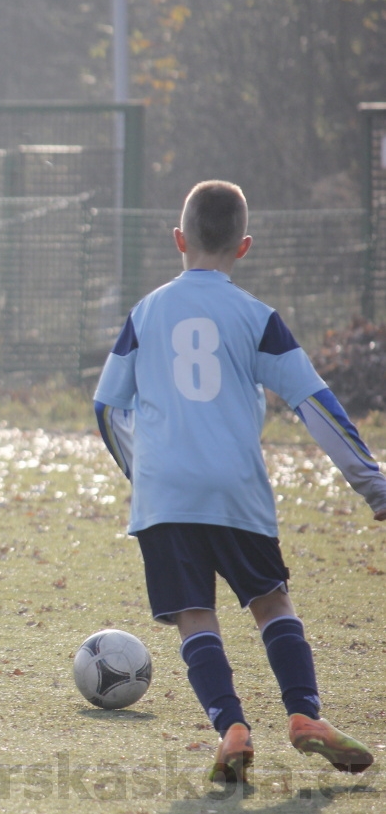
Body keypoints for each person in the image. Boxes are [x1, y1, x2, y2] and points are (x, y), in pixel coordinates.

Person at [94, 180, 383, 783]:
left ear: (179, 239)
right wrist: (372, 484)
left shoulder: (145, 312)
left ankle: (230, 726)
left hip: (165, 493)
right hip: (235, 488)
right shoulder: (255, 316)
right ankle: (304, 716)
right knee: (271, 600)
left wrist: (141, 470)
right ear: (244, 247)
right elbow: (316, 404)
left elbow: (106, 405)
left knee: (195, 614)